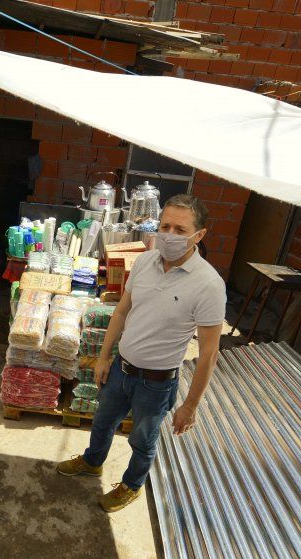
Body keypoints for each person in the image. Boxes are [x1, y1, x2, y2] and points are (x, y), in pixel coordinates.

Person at [57, 194, 226, 512]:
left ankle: (132, 485)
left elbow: (208, 354)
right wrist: (104, 357)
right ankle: (93, 462)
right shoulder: (146, 261)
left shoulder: (209, 285)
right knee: (102, 421)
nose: (170, 235)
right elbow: (121, 312)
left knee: (143, 440)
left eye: (180, 229)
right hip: (121, 369)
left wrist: (190, 406)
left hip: (156, 384)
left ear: (199, 235)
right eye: (165, 226)